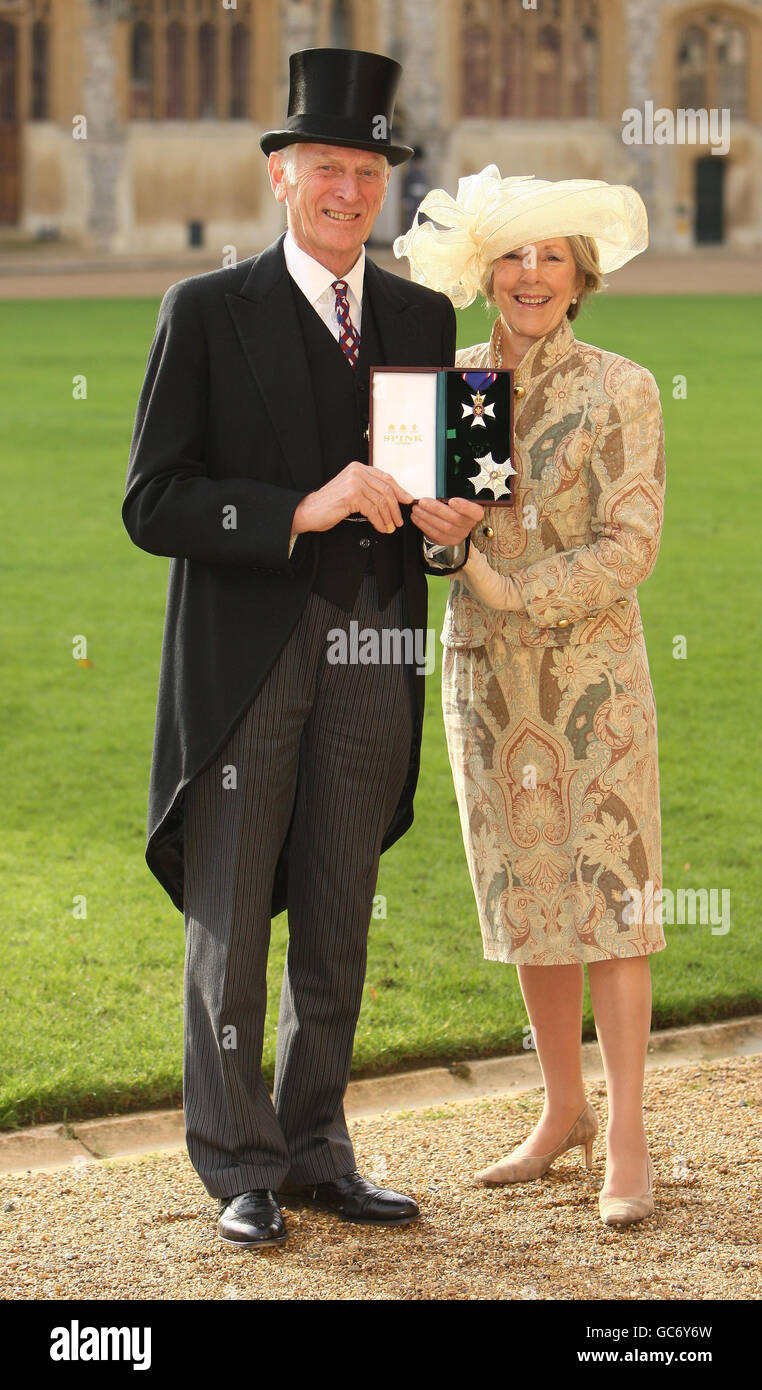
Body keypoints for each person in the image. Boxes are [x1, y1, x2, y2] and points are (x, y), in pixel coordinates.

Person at [122, 48, 481, 1251]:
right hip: (249, 657)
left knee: (339, 904)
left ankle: (319, 1146)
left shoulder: (427, 317)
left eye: (368, 169)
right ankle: (238, 1160)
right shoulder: (205, 313)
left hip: (379, 645)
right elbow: (152, 501)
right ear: (280, 176)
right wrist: (293, 507)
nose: (348, 190)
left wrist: (448, 532)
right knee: (230, 909)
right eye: (326, 166)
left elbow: (444, 506)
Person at [395, 166, 666, 1228]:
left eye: (553, 255)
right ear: (486, 271)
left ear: (580, 275)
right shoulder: (454, 383)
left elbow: (630, 545)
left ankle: (631, 1129)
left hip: (594, 679)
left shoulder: (622, 387)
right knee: (529, 897)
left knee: (612, 898)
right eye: (515, 254)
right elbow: (423, 528)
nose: (533, 273)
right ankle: (562, 1111)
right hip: (488, 679)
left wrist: (508, 583)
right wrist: (434, 532)